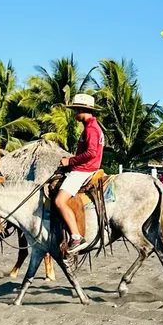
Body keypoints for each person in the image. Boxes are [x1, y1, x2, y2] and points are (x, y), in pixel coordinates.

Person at [55, 93, 105, 251]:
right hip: (85, 168)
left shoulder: (91, 129)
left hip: (83, 170)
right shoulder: (92, 127)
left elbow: (91, 153)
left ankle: (76, 236)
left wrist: (70, 161)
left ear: (81, 109)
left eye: (76, 110)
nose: (75, 113)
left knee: (59, 201)